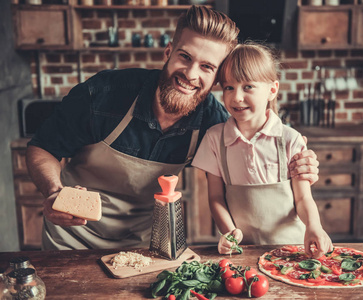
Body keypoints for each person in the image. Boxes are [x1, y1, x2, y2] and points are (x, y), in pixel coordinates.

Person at [26, 6, 319, 250]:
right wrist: (53, 192)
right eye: (185, 57)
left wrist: (300, 161)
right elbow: (43, 147)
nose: (191, 74)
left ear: (216, 77)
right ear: (169, 51)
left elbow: (255, 150)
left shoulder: (214, 125)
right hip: (70, 242)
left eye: (206, 67)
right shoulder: (104, 93)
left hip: (141, 245)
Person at [191, 42, 332, 258]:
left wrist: (314, 226)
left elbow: (303, 199)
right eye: (229, 87)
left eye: (248, 87)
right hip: (243, 252)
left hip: (292, 249)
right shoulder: (214, 139)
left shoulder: (290, 139)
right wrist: (229, 233)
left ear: (272, 90)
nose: (236, 97)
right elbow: (216, 198)